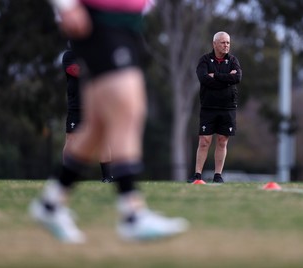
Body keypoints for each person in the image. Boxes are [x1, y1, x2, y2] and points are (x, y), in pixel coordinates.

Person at [29, 0, 188, 243]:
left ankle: (51, 204)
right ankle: (132, 214)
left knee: (97, 126)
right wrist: (65, 5)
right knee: (128, 110)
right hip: (101, 19)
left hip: (127, 22)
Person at [188, 31, 242, 184]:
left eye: (228, 43)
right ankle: (197, 175)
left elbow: (237, 77)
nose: (226, 45)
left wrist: (216, 76)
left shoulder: (233, 60)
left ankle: (218, 175)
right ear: (214, 44)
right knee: (204, 140)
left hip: (228, 107)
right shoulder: (204, 60)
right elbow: (204, 79)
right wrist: (226, 78)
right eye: (223, 42)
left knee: (222, 140)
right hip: (209, 107)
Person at [62, 45, 113, 183]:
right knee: (71, 140)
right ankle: (65, 176)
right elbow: (74, 71)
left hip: (96, 105)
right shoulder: (69, 55)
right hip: (76, 107)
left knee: (103, 141)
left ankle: (107, 176)